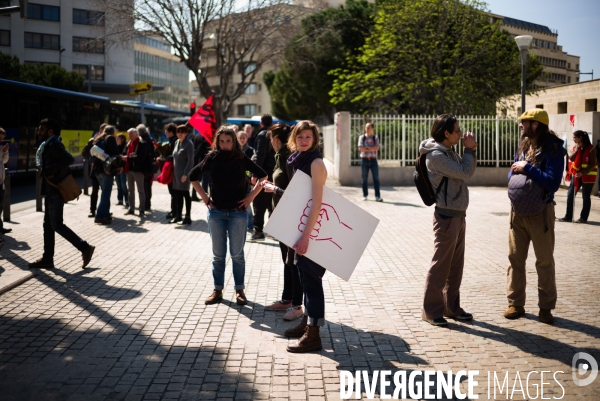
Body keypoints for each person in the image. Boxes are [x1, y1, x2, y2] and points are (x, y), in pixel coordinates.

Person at [189, 126, 267, 306]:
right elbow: (193, 175)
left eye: (228, 141)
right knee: (218, 255)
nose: (224, 145)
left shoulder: (241, 158)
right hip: (216, 213)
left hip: (237, 214)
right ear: (217, 142)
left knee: (237, 254)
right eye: (221, 141)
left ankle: (240, 290)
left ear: (234, 142)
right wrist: (205, 197)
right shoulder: (212, 158)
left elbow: (263, 176)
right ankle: (217, 289)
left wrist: (250, 197)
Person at [505, 109, 564, 325]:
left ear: (535, 125)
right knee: (515, 259)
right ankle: (516, 303)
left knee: (544, 262)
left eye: (524, 122)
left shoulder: (554, 149)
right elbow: (512, 170)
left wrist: (527, 168)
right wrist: (515, 174)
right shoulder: (523, 146)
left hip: (541, 214)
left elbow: (552, 182)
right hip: (517, 212)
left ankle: (546, 308)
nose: (521, 126)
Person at [419, 114, 477, 327]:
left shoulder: (448, 152)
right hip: (446, 217)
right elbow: (465, 172)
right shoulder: (436, 156)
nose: (461, 133)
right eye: (457, 130)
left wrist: (469, 151)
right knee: (441, 265)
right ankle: (431, 310)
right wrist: (469, 150)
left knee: (455, 265)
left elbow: (465, 170)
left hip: (458, 214)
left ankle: (451, 307)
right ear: (446, 133)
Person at [28, 118, 95, 269]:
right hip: (52, 189)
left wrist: (49, 171)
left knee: (56, 224)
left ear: (50, 131)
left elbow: (68, 159)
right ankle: (47, 259)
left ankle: (85, 247)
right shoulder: (49, 144)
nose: (38, 132)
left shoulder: (54, 143)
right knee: (48, 225)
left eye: (41, 129)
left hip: (56, 190)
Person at [261, 124, 304, 321]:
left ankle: (296, 305)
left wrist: (274, 189)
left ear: (277, 138)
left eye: (271, 138)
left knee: (293, 262)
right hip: (281, 215)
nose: (270, 142)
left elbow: (298, 193)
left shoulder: (289, 159)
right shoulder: (280, 157)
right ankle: (287, 299)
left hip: (291, 217)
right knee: (286, 261)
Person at [558, 130, 598, 223]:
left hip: (588, 177)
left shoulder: (591, 149)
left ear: (581, 138)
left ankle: (583, 218)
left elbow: (592, 164)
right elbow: (571, 158)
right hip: (576, 176)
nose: (573, 139)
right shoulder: (577, 147)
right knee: (570, 194)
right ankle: (568, 216)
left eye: (574, 137)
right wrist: (577, 150)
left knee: (585, 197)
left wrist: (582, 173)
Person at [251, 114, 276, 240]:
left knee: (259, 202)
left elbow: (260, 156)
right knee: (272, 202)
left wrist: (255, 174)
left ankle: (258, 231)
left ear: (261, 123)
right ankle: (273, 231)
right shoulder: (274, 134)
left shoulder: (262, 135)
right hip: (274, 173)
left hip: (263, 173)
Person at [92, 125, 119, 225]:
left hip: (97, 170)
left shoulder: (98, 139)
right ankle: (99, 216)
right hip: (106, 169)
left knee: (105, 193)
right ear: (112, 132)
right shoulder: (110, 138)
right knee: (106, 194)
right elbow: (115, 153)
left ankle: (106, 214)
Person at [170, 125, 194, 225]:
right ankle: (178, 216)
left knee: (185, 194)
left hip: (184, 174)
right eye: (178, 132)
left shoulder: (189, 144)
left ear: (186, 133)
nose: (179, 133)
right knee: (178, 195)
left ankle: (187, 217)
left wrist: (186, 174)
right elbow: (174, 156)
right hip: (176, 174)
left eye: (182, 132)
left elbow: (191, 160)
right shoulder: (176, 142)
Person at [123, 128, 149, 217]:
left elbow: (141, 157)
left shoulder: (142, 143)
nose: (129, 137)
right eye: (129, 135)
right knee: (130, 190)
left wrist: (129, 158)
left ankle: (142, 209)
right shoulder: (128, 143)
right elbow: (124, 153)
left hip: (138, 170)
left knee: (140, 190)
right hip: (129, 169)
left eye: (131, 135)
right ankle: (131, 208)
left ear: (136, 134)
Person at [82, 123, 106, 218]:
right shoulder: (93, 140)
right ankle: (93, 210)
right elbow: (84, 152)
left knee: (105, 191)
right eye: (104, 131)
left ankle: (104, 210)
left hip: (105, 169)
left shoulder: (108, 140)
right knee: (95, 191)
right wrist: (92, 158)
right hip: (96, 169)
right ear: (100, 130)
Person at [358, 122, 383, 202]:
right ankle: (365, 195)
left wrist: (366, 148)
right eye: (366, 127)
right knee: (364, 179)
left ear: (372, 128)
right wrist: (371, 148)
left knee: (376, 178)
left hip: (373, 160)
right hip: (364, 160)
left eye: (369, 127)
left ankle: (377, 196)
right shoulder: (362, 137)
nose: (367, 129)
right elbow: (361, 148)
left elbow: (376, 147)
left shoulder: (375, 137)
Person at [237, 128, 255, 232]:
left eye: (243, 137)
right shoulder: (235, 150)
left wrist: (248, 175)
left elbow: (251, 168)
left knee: (247, 202)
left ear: (247, 138)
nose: (242, 139)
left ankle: (250, 224)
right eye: (240, 138)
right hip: (236, 180)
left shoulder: (250, 151)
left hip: (246, 181)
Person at [137, 124, 156, 212]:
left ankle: (145, 204)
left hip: (145, 166)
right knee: (148, 185)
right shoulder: (150, 139)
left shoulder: (143, 140)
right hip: (150, 165)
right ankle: (148, 203)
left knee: (145, 185)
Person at [163, 123, 178, 219]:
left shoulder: (175, 142)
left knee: (174, 192)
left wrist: (166, 158)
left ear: (171, 132)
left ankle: (175, 211)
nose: (165, 133)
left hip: (173, 170)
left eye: (167, 131)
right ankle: (173, 210)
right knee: (172, 192)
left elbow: (174, 155)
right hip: (171, 168)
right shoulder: (171, 141)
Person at [0, 127, 11, 251]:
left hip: (1, 181)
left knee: (0, 205)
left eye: (2, 138)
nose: (1, 140)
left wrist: (5, 152)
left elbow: (4, 160)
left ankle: (0, 227)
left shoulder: (0, 147)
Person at [192, 132, 211, 200]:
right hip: (204, 161)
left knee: (196, 178)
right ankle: (204, 196)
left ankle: (194, 195)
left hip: (197, 160)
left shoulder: (196, 136)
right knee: (205, 179)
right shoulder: (207, 138)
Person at [115, 133, 129, 208]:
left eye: (118, 138)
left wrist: (121, 167)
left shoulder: (125, 146)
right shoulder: (117, 147)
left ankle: (127, 200)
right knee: (118, 185)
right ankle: (120, 200)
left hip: (122, 168)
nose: (116, 139)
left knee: (123, 184)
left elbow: (124, 158)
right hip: (116, 168)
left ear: (122, 139)